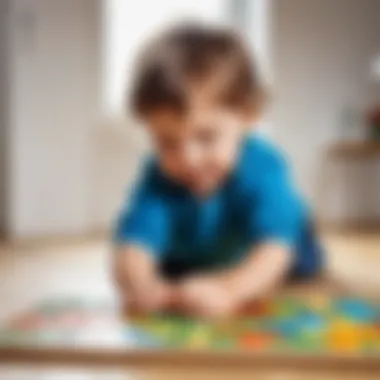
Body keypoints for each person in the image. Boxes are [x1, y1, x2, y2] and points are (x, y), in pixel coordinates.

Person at [113, 24, 323, 318]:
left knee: (298, 255)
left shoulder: (263, 166)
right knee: (172, 272)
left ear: (248, 117)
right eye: (167, 142)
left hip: (272, 243)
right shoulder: (158, 175)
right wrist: (141, 283)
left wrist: (231, 289)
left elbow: (275, 244)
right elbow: (134, 241)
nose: (189, 158)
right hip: (197, 249)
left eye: (206, 137)